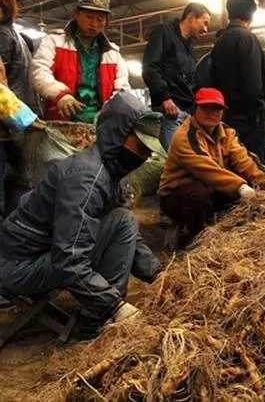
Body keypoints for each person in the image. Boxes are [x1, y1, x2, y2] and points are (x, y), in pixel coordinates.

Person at [0, 91, 164, 340]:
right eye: (139, 146)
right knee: (123, 220)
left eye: (147, 150)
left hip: (30, 256)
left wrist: (157, 274)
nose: (143, 156)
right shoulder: (87, 179)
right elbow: (69, 259)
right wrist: (114, 307)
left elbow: (127, 237)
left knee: (122, 220)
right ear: (117, 134)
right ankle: (98, 319)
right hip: (17, 267)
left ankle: (101, 309)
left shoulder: (109, 173)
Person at [159, 88, 265, 246]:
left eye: (216, 109)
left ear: (223, 112)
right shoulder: (185, 136)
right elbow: (208, 169)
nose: (211, 113)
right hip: (176, 194)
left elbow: (243, 159)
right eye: (206, 108)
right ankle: (194, 238)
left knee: (243, 187)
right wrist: (241, 187)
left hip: (211, 186)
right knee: (200, 193)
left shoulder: (227, 132)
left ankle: (228, 232)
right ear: (196, 108)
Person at [31, 0, 130, 123]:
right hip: (59, 121)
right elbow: (39, 71)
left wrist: (108, 112)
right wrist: (60, 96)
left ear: (106, 22)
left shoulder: (113, 53)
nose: (94, 24)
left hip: (101, 125)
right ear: (76, 15)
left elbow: (122, 88)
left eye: (100, 19)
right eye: (89, 17)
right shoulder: (54, 41)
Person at [0, 0, 42, 218]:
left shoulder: (11, 35)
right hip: (9, 129)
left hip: (12, 129)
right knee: (19, 185)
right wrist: (25, 119)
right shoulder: (5, 36)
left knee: (20, 183)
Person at [143, 2, 211, 151]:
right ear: (191, 18)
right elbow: (150, 68)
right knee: (171, 160)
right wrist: (164, 97)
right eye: (204, 23)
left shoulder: (190, 48)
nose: (206, 30)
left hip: (186, 113)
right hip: (169, 111)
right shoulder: (163, 32)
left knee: (185, 159)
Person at [209, 0, 265, 159]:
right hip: (248, 120)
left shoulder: (219, 42)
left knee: (231, 164)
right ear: (250, 16)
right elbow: (253, 84)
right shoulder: (247, 38)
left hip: (226, 117)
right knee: (252, 166)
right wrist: (260, 109)